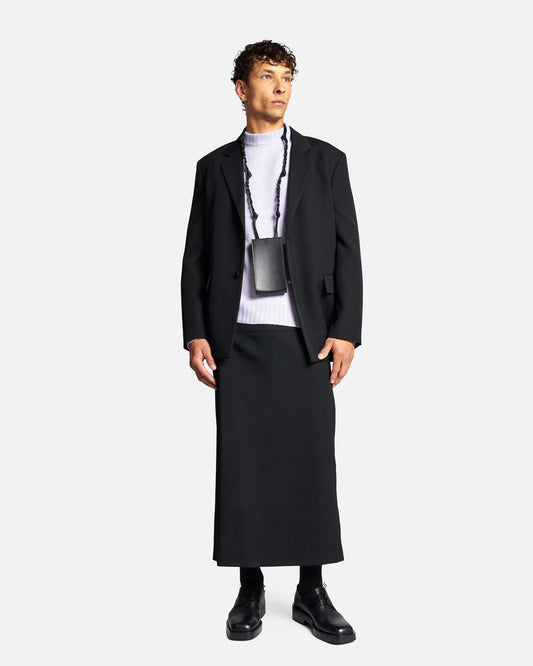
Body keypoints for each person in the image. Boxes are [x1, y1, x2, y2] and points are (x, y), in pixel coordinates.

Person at [180, 39, 363, 644]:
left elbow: (348, 251)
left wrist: (346, 329)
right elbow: (195, 257)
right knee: (243, 467)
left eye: (287, 76)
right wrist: (196, 331)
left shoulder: (325, 161)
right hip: (237, 340)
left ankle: (312, 590)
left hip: (306, 338)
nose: (280, 86)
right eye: (267, 75)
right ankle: (250, 586)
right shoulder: (212, 167)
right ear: (241, 89)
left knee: (311, 463)